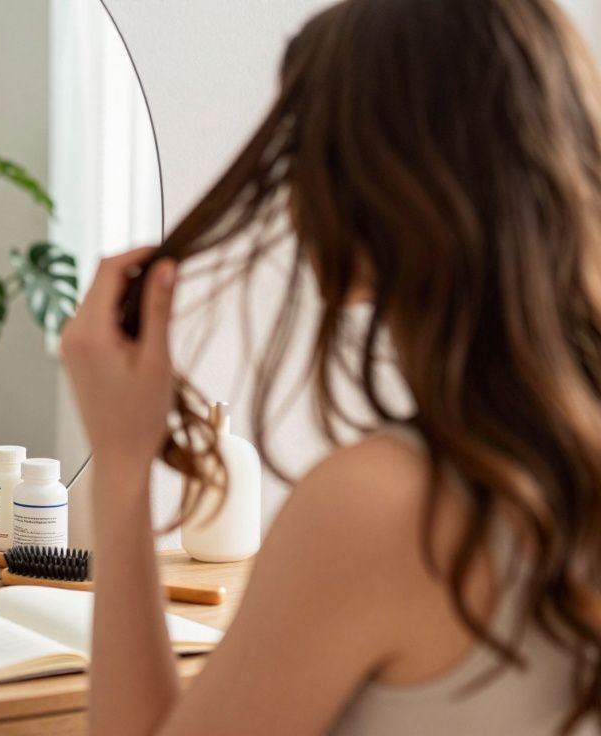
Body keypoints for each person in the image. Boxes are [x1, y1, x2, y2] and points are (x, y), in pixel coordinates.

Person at [61, 0, 601, 733]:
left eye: (306, 157)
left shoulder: (381, 509)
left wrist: (122, 470)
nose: (293, 199)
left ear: (382, 190)